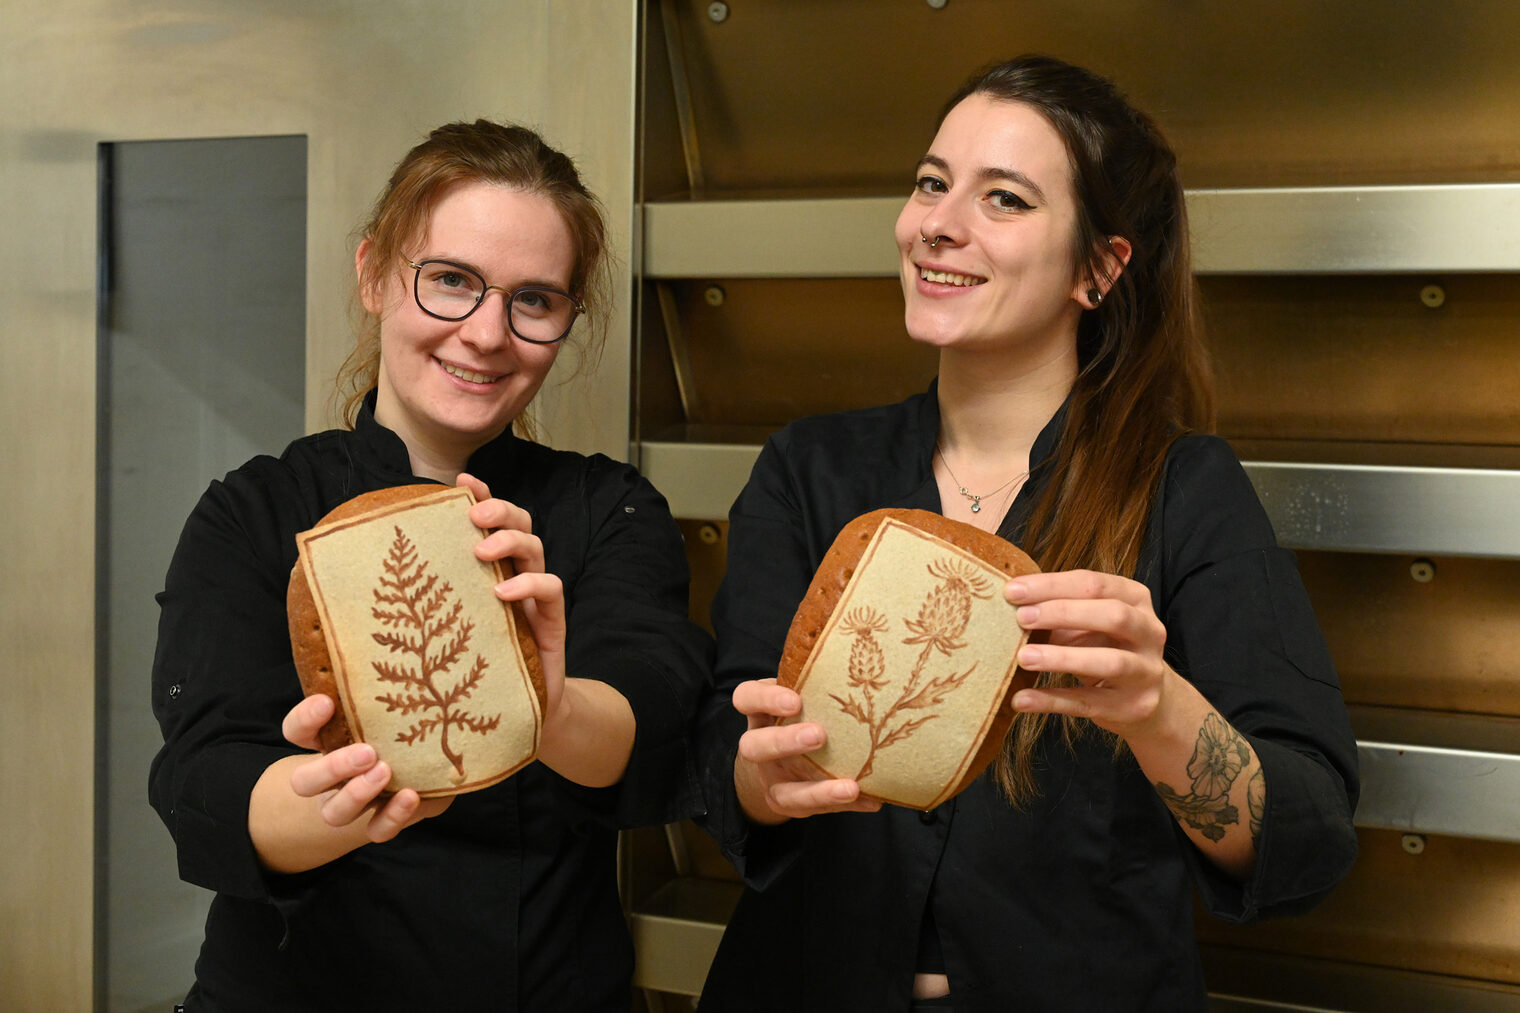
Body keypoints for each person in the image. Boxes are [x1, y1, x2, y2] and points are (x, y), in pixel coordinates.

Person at [694, 55, 1359, 1012]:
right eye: (932, 183)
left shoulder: (1185, 489)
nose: (938, 223)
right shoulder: (810, 469)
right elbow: (725, 758)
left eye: (1003, 199)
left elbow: (1309, 837)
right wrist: (768, 774)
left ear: (1099, 268)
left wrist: (1157, 707)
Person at [149, 120, 712, 1011]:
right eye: (451, 280)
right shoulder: (255, 513)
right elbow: (203, 778)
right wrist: (333, 808)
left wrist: (551, 705)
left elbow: (656, 720)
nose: (487, 333)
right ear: (374, 274)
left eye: (534, 299)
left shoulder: (610, 509)